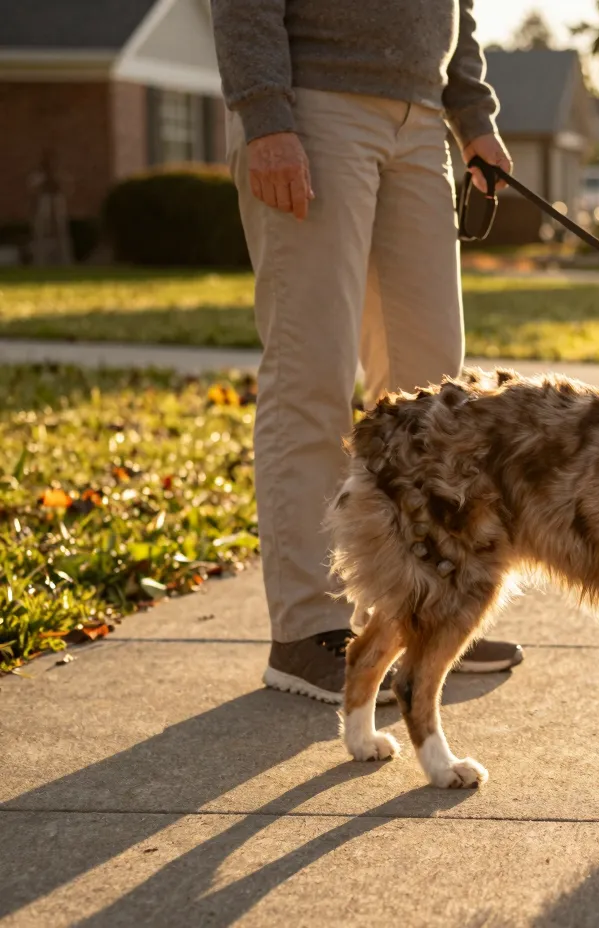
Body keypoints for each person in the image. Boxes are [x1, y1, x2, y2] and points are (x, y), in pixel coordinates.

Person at [212, 0, 523, 703]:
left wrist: (473, 115)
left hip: (419, 120)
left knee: (434, 390)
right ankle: (307, 628)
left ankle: (418, 613)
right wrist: (266, 117)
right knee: (311, 372)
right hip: (314, 108)